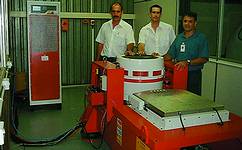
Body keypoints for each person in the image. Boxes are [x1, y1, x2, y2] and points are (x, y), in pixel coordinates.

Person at [164, 11, 209, 95]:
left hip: (193, 75)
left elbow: (204, 58)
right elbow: (169, 56)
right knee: (178, 98)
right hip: (178, 73)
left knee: (193, 100)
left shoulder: (201, 38)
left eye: (190, 21)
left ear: (195, 23)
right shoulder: (179, 37)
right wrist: (158, 57)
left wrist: (187, 62)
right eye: (185, 21)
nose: (187, 24)